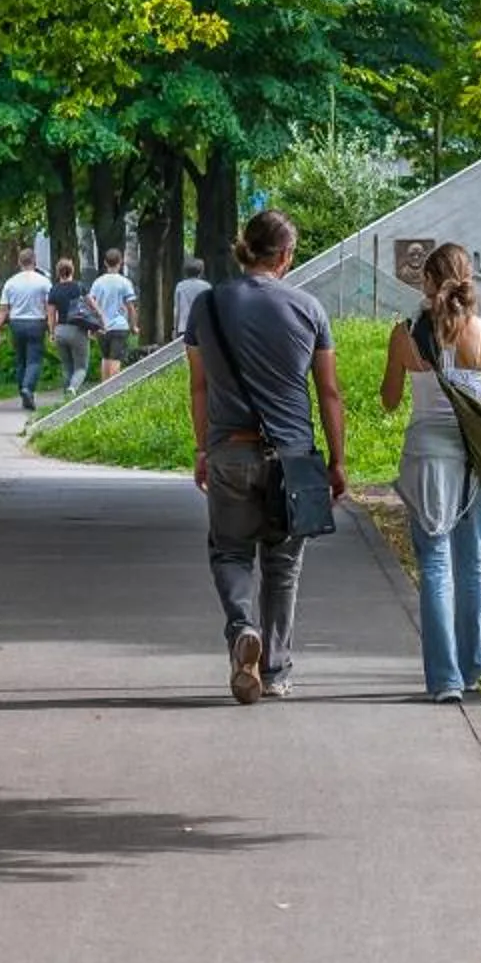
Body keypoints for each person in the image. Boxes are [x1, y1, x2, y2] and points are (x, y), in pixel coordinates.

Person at [188, 210, 349, 704]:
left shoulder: (207, 306)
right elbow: (328, 392)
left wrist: (203, 448)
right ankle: (275, 671)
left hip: (230, 450)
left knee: (230, 552)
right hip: (293, 458)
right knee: (283, 566)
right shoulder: (308, 309)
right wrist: (337, 461)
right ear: (285, 255)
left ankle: (243, 629)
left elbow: (199, 386)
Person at [381, 243, 481, 701]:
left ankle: (444, 680)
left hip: (428, 456)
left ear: (428, 281)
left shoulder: (405, 334)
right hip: (477, 458)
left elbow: (389, 399)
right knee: (473, 564)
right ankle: (471, 669)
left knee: (434, 565)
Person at [0, 248, 55, 412]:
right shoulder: (43, 282)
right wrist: (51, 329)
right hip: (36, 323)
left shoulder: (11, 283)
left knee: (20, 360)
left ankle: (23, 392)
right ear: (34, 261)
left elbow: (3, 309)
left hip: (17, 323)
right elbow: (49, 308)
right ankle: (28, 388)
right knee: (34, 360)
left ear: (19, 262)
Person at [87, 247, 139, 377]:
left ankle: (105, 386)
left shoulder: (98, 282)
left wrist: (92, 325)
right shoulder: (125, 282)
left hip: (102, 327)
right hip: (119, 326)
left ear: (105, 263)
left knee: (105, 357)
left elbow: (91, 303)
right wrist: (133, 326)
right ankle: (114, 387)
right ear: (120, 262)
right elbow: (130, 307)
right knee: (115, 358)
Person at [46, 256, 94, 397]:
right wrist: (99, 321)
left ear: (58, 272)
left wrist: (52, 332)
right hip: (77, 330)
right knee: (81, 367)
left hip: (61, 330)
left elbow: (51, 315)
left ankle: (66, 399)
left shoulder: (54, 290)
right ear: (72, 270)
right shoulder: (79, 287)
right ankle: (72, 389)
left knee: (66, 367)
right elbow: (92, 305)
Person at [169, 256, 211, 344]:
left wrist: (175, 329)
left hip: (184, 327)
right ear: (201, 272)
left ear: (185, 272)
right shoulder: (207, 286)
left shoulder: (180, 286)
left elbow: (177, 309)